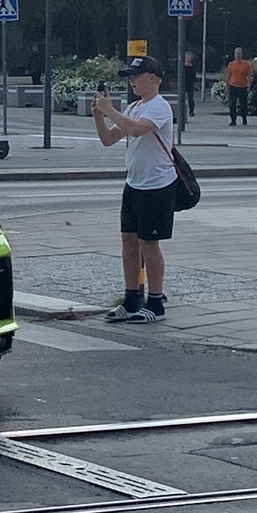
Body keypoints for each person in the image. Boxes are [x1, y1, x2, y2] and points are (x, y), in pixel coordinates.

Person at [91, 54, 178, 324]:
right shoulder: (134, 107)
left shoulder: (159, 106)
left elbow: (138, 130)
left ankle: (155, 301)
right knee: (128, 241)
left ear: (154, 79)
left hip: (157, 184)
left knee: (149, 243)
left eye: (136, 77)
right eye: (129, 78)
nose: (132, 82)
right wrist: (98, 116)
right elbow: (109, 139)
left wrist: (110, 110)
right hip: (134, 183)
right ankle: (131, 299)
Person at [224, 47, 253, 126]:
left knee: (243, 104)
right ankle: (233, 120)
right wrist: (227, 86)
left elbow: (249, 75)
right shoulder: (231, 64)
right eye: (236, 53)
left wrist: (249, 85)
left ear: (242, 54)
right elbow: (228, 75)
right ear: (234, 54)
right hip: (233, 86)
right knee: (232, 104)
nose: (238, 55)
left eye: (239, 53)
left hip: (242, 86)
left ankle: (244, 118)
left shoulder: (246, 64)